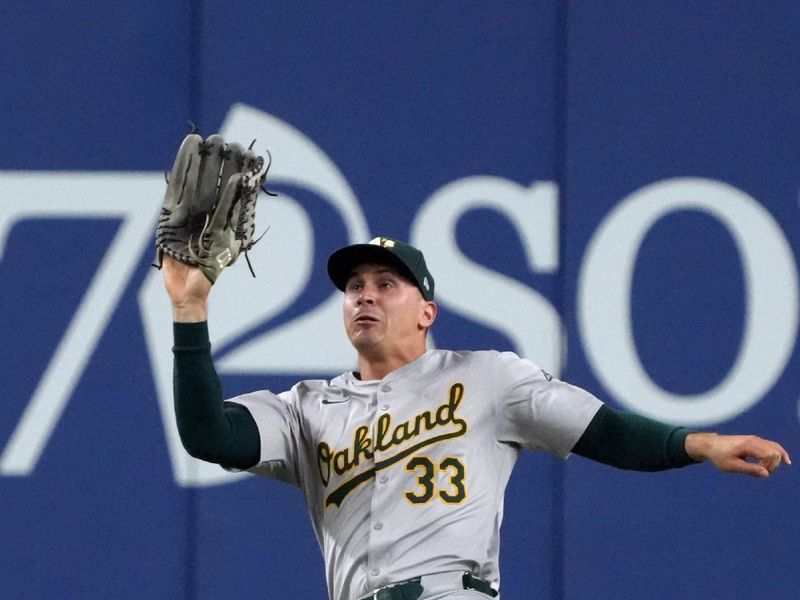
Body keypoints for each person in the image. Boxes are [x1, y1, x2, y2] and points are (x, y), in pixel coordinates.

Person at [162, 235, 791, 600]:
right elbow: (208, 434)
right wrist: (190, 314)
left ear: (426, 311)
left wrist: (700, 443)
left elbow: (604, 431)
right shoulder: (305, 409)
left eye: (387, 284)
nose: (366, 295)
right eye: (355, 286)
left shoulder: (486, 379)